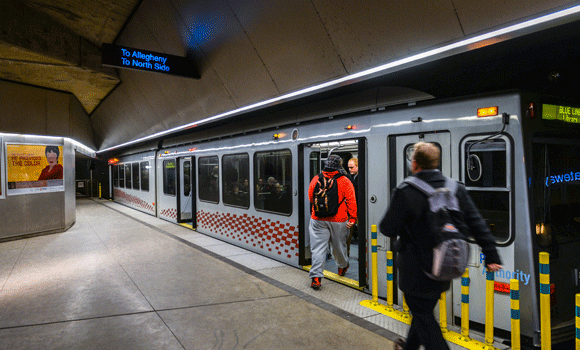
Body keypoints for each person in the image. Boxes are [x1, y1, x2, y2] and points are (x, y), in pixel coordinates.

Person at [379, 142, 502, 350]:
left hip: (415, 270)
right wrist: (491, 254)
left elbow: (387, 228)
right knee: (423, 312)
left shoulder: (406, 190)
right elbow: (476, 222)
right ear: (436, 162)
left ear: (415, 163)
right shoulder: (455, 188)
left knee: (423, 317)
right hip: (445, 266)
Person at [308, 154, 357, 290]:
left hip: (317, 219)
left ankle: (316, 278)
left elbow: (310, 197)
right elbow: (351, 200)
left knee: (318, 249)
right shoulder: (345, 180)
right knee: (339, 246)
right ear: (338, 166)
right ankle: (342, 267)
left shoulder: (316, 178)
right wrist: (352, 218)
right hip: (339, 219)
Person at [346, 158, 359, 255]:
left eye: (352, 167)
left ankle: (363, 255)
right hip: (349, 211)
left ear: (358, 166)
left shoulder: (364, 177)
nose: (350, 169)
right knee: (347, 235)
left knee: (363, 233)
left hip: (361, 210)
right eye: (349, 168)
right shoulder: (347, 178)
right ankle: (346, 253)